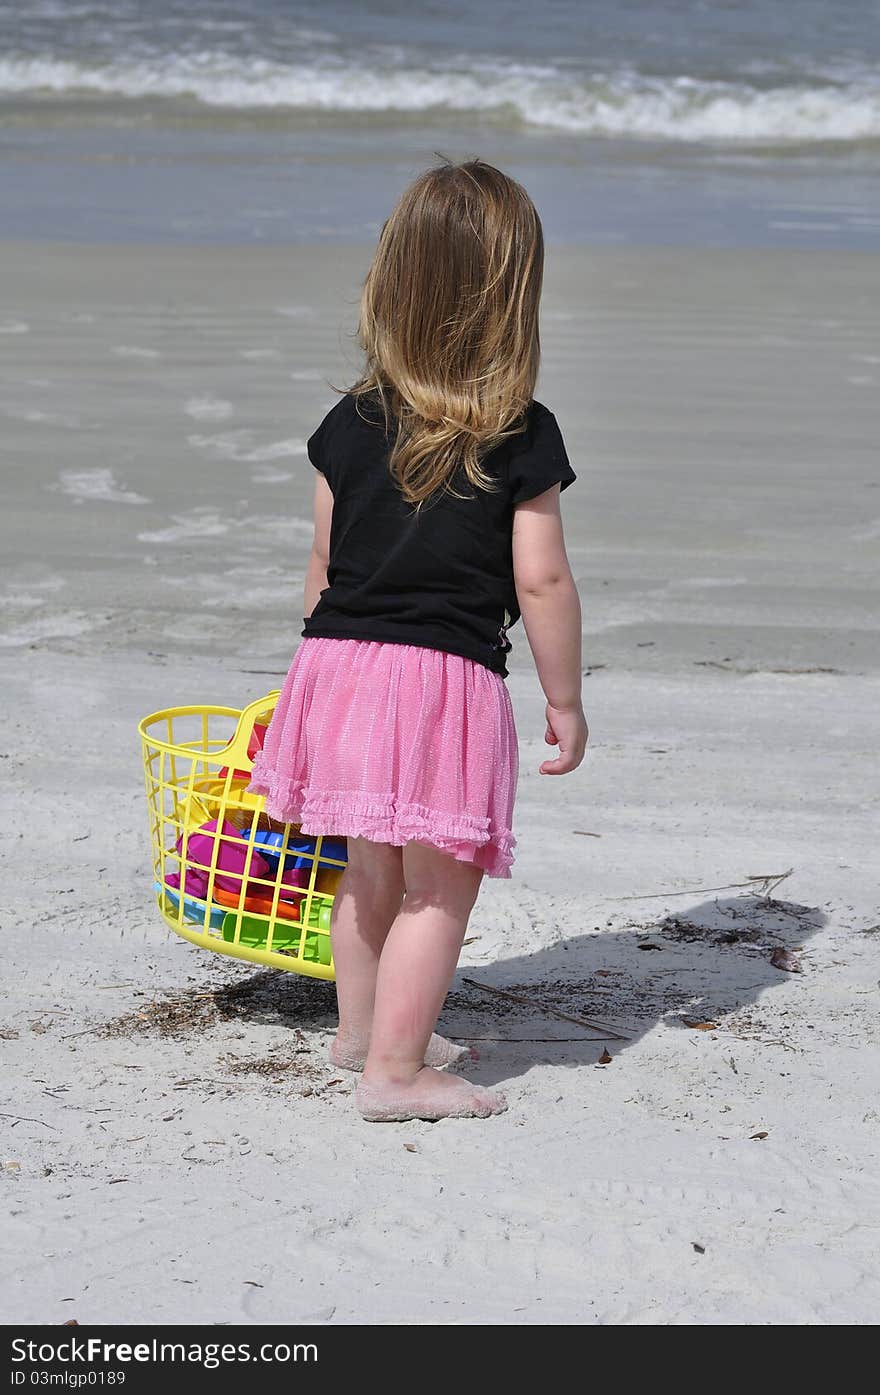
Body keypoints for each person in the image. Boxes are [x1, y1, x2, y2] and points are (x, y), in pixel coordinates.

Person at [248, 158, 588, 1122]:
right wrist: (564, 698)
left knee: (369, 869)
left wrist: (312, 687)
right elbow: (542, 578)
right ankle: (394, 1073)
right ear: (511, 302)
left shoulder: (345, 422)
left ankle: (360, 1034)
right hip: (442, 682)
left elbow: (319, 571)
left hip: (338, 664)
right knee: (440, 890)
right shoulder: (521, 432)